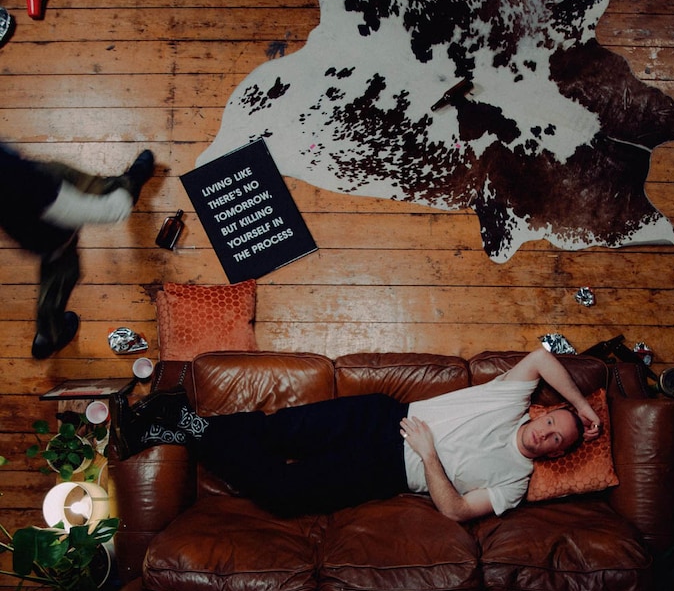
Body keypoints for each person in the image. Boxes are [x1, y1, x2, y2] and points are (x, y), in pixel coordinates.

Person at [114, 345, 601, 522]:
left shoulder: (515, 482)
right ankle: (183, 425)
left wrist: (429, 455)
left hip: (387, 468)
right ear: (542, 413)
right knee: (272, 430)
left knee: (284, 494)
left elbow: (455, 511)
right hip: (382, 417)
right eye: (551, 423)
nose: (548, 436)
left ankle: (179, 423)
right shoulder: (509, 400)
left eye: (558, 441)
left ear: (555, 455)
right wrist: (582, 408)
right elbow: (540, 358)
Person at [0, 143, 155, 359]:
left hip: (26, 212)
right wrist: (122, 199)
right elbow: (108, 210)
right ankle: (132, 180)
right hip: (42, 206)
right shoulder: (35, 191)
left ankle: (47, 337)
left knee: (56, 263)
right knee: (62, 269)